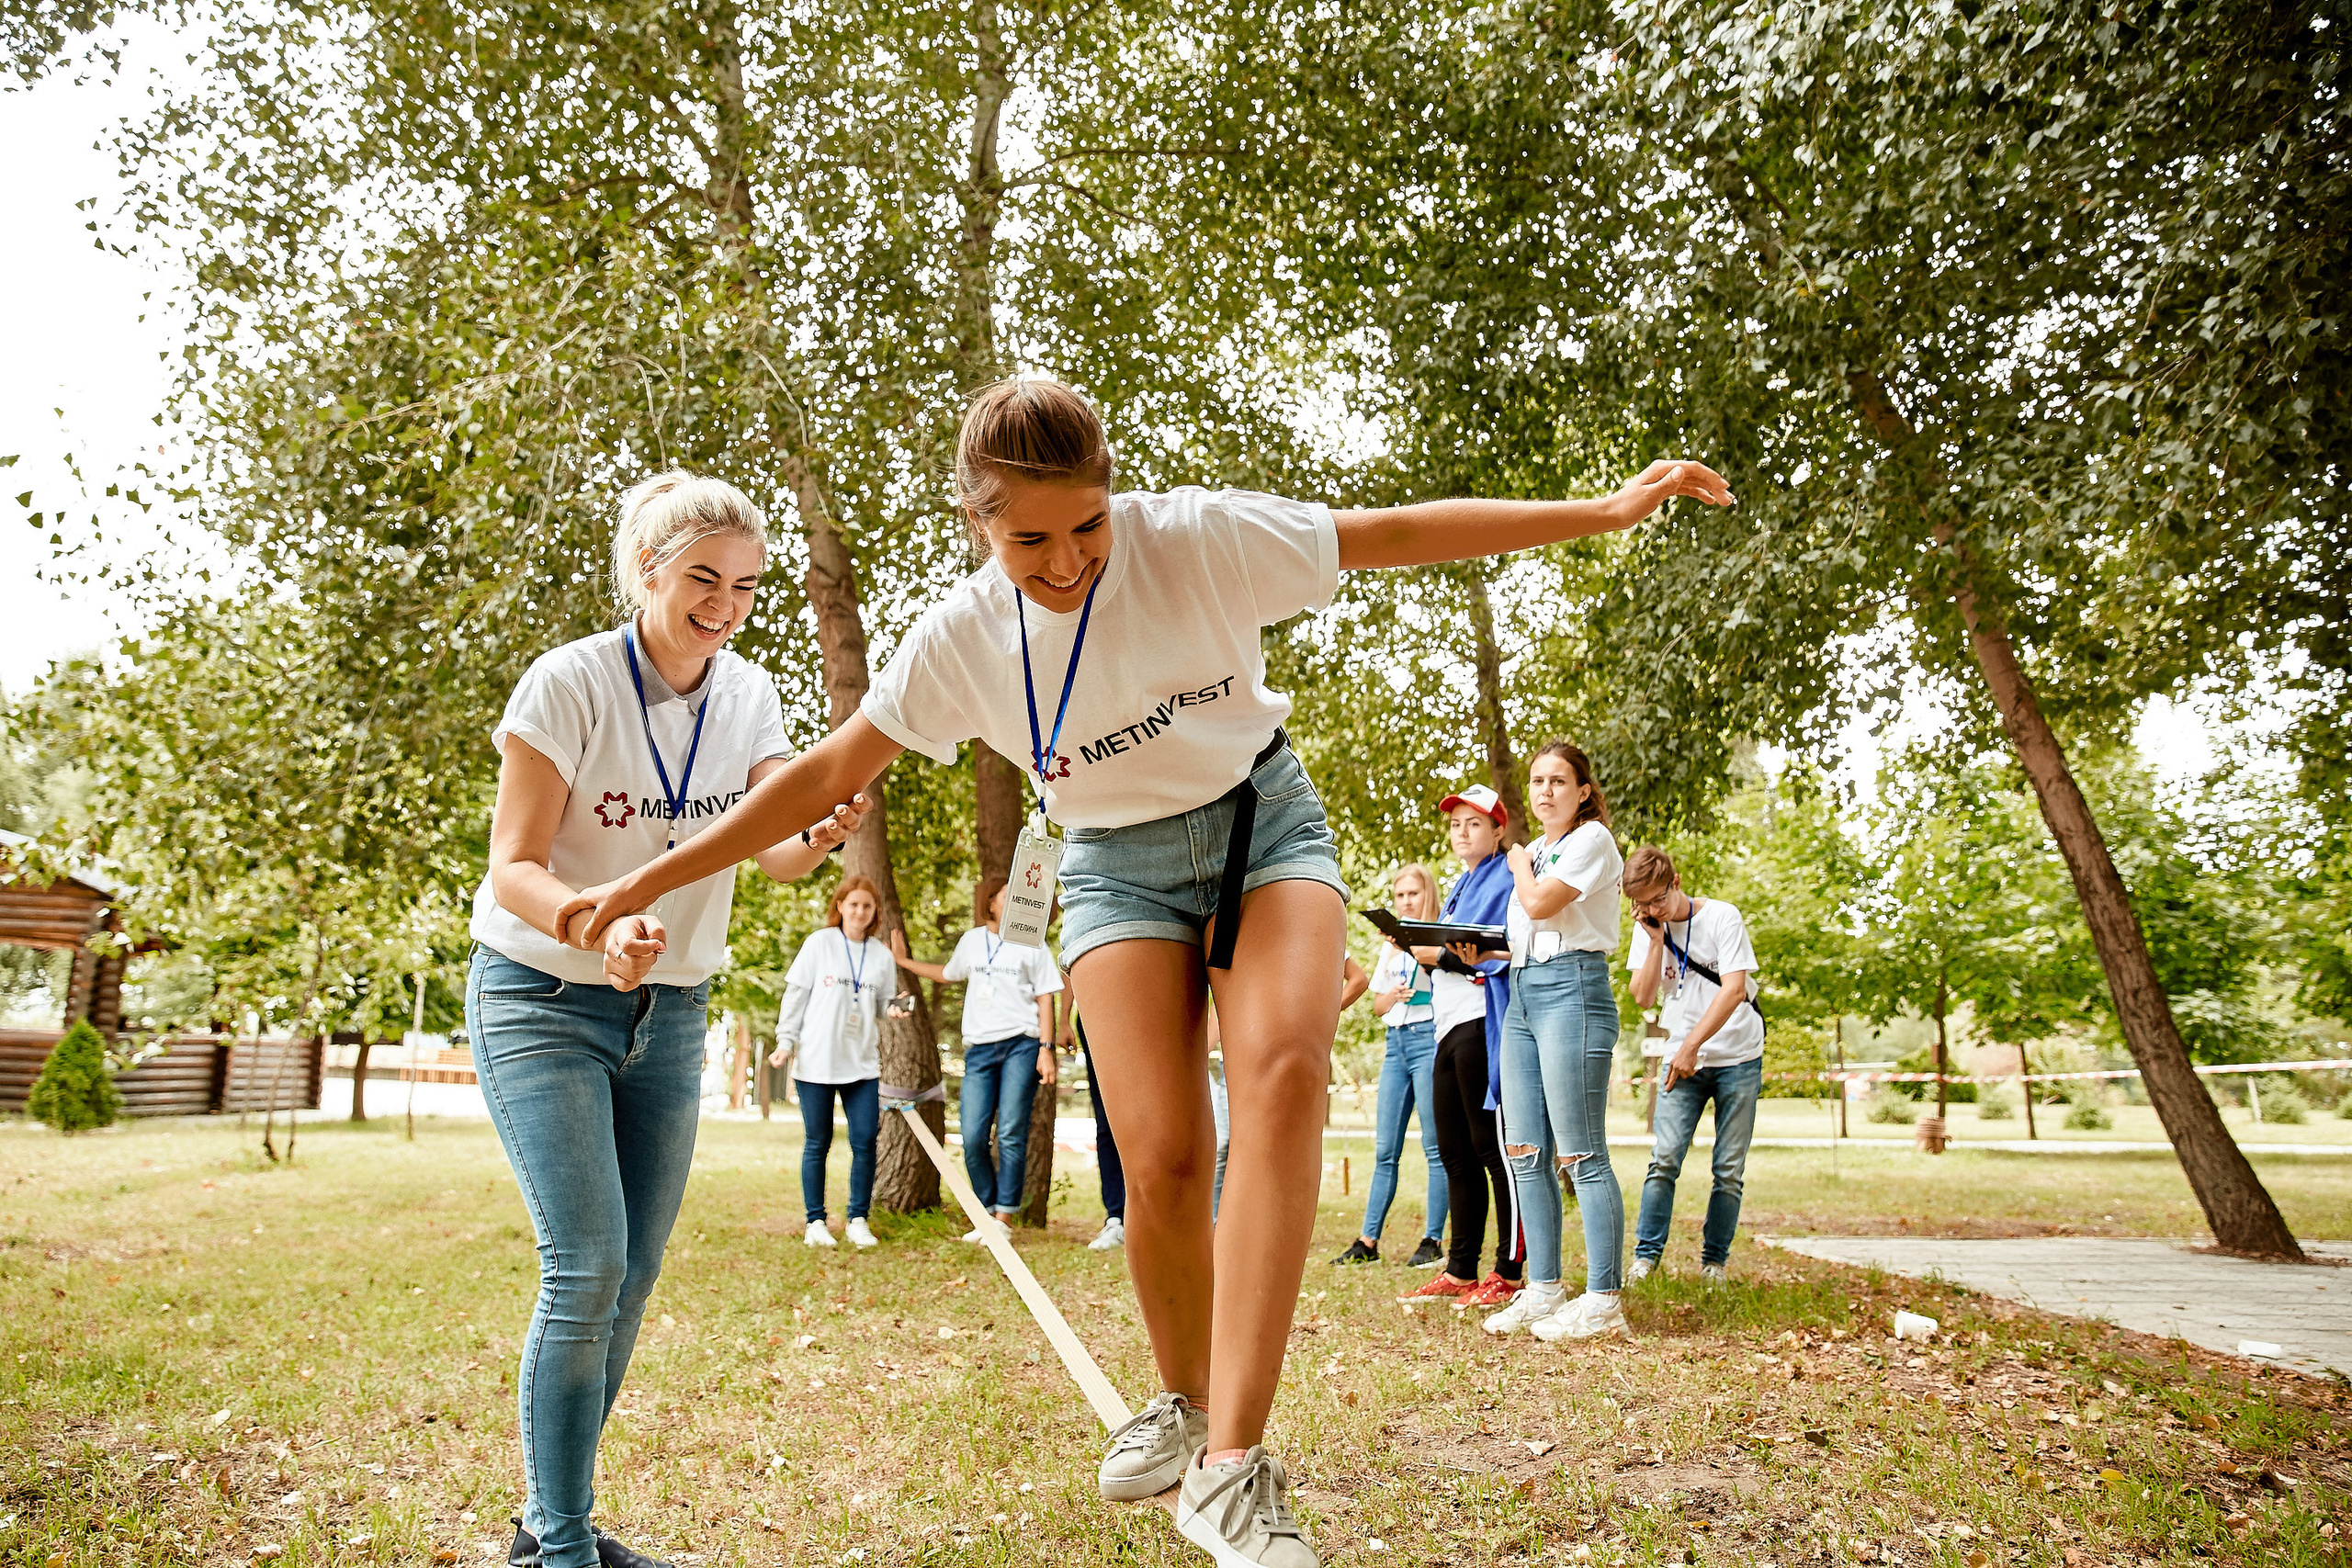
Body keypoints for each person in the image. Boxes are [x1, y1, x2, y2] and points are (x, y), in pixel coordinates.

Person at [561, 378, 1730, 1567]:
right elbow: (819, 772)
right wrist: (649, 879)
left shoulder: (1194, 536)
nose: (1066, 561)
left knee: (1279, 1073)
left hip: (1259, 827)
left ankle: (1233, 1462)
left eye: (1087, 525)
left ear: (1115, 493)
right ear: (979, 523)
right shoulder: (962, 640)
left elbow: (1397, 530)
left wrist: (1601, 511)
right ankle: (1178, 1399)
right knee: (1164, 1152)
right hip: (1115, 867)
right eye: (1030, 539)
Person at [469, 470, 868, 1568]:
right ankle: (561, 1551)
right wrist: (594, 921)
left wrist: (821, 827)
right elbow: (512, 868)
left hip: (671, 1011)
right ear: (645, 571)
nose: (726, 605)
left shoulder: (749, 698)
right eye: (704, 578)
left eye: (745, 586)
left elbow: (777, 850)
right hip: (540, 1000)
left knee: (632, 1274)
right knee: (585, 1266)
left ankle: (548, 1529)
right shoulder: (568, 684)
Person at [1478, 743, 1630, 1343]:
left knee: (1581, 1152)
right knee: (1524, 1150)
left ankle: (1604, 1299)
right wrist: (1469, 950)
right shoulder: (1540, 851)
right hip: (1524, 992)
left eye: (1559, 780)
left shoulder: (1591, 841)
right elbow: (1520, 934)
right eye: (1538, 781)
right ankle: (1543, 1286)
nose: (1545, 791)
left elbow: (1540, 901)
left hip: (1574, 990)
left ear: (1584, 790)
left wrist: (1516, 864)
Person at [1396, 787, 1524, 1311]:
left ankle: (1510, 1269)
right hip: (1444, 1026)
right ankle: (1461, 1268)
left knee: (1491, 1148)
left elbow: (1499, 948)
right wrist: (1418, 947)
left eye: (1474, 824)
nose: (1462, 832)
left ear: (1498, 831)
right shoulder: (1462, 882)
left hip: (1481, 1021)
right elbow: (1452, 951)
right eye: (1455, 825)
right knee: (1453, 1150)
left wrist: (1442, 956)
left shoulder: (1506, 876)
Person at [1622, 845, 1765, 1284]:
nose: (1651, 909)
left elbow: (1734, 989)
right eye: (1641, 903)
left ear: (1676, 882)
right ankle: (1645, 1260)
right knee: (1663, 1159)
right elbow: (1643, 997)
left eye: (1658, 899)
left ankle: (1714, 1263)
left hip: (1737, 1055)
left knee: (1728, 1168)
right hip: (1681, 1059)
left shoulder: (1722, 917)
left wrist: (1692, 1046)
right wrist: (1656, 942)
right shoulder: (1649, 928)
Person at [892, 876, 1062, 1242]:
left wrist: (1046, 1050)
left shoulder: (1032, 942)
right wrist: (903, 961)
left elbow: (1046, 996)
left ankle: (1003, 1218)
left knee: (1012, 1133)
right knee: (971, 1136)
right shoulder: (971, 941)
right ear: (992, 904)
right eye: (1007, 896)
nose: (1014, 901)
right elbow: (946, 974)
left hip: (1022, 1044)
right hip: (980, 1050)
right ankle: (986, 1212)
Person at [770, 875, 901, 1250]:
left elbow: (881, 1004)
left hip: (861, 1065)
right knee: (818, 1142)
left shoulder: (881, 956)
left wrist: (893, 1009)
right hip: (816, 1062)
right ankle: (816, 1222)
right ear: (840, 906)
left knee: (864, 1142)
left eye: (868, 906)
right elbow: (796, 997)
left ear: (875, 912)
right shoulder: (819, 944)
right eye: (854, 904)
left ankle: (858, 1219)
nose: (860, 911)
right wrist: (785, 1042)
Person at [1331, 863, 1448, 1268]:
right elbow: (1378, 1004)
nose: (1406, 901)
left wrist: (1411, 951)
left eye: (1413, 894)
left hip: (1429, 1041)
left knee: (1436, 1147)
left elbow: (1451, 979)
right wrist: (1395, 994)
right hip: (1396, 1045)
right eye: (1400, 896)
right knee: (1386, 1150)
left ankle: (1433, 1240)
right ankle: (1368, 1241)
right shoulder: (1389, 946)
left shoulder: (1437, 934)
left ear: (1427, 895)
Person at [1208, 955, 1366, 1222]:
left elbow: (1359, 980)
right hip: (1234, 1059)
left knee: (1269, 1146)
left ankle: (1260, 1222)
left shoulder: (1306, 930)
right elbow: (1220, 1003)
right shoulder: (1236, 935)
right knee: (1224, 1144)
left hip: (1277, 1060)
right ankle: (1215, 1224)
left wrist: (1319, 1016)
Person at [1059, 967, 1126, 1250]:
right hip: (1096, 1013)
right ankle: (1117, 1218)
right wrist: (1063, 1019)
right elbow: (1069, 963)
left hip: (1149, 1004)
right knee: (1107, 1120)